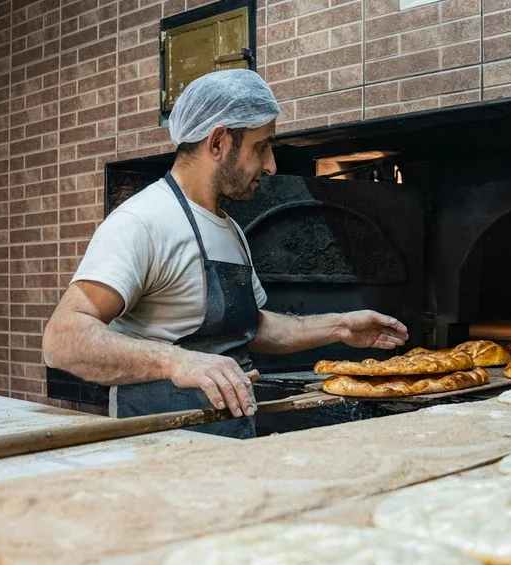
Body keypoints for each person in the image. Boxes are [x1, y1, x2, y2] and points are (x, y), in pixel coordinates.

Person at [42, 69, 408, 439]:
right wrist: (175, 361)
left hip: (232, 440)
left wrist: (341, 326)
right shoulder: (142, 222)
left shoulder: (230, 229)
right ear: (218, 142)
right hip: (159, 450)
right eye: (261, 146)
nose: (271, 166)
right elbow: (62, 339)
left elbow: (249, 326)